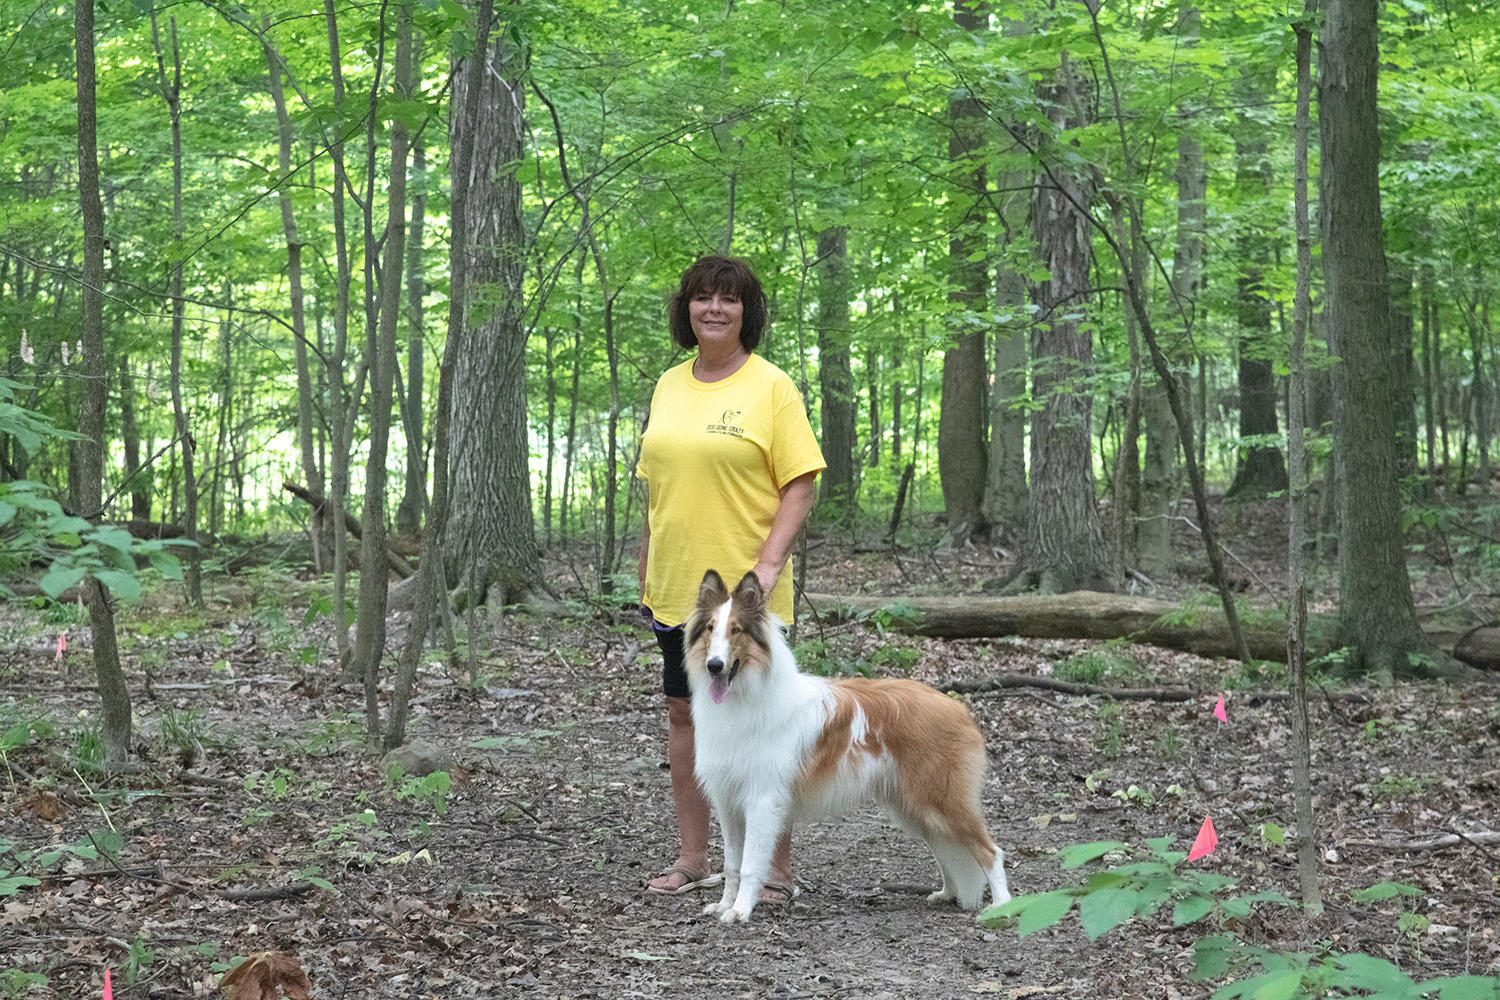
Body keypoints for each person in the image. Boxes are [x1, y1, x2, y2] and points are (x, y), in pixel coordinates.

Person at [636, 255, 824, 903]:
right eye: (702, 298)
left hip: (747, 597)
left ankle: (773, 869)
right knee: (686, 716)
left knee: (761, 727)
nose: (714, 309)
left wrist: (769, 563)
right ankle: (693, 859)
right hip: (678, 590)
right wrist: (646, 563)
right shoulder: (668, 385)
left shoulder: (772, 388)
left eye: (729, 299)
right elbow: (656, 488)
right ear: (686, 309)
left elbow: (801, 481)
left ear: (748, 312)